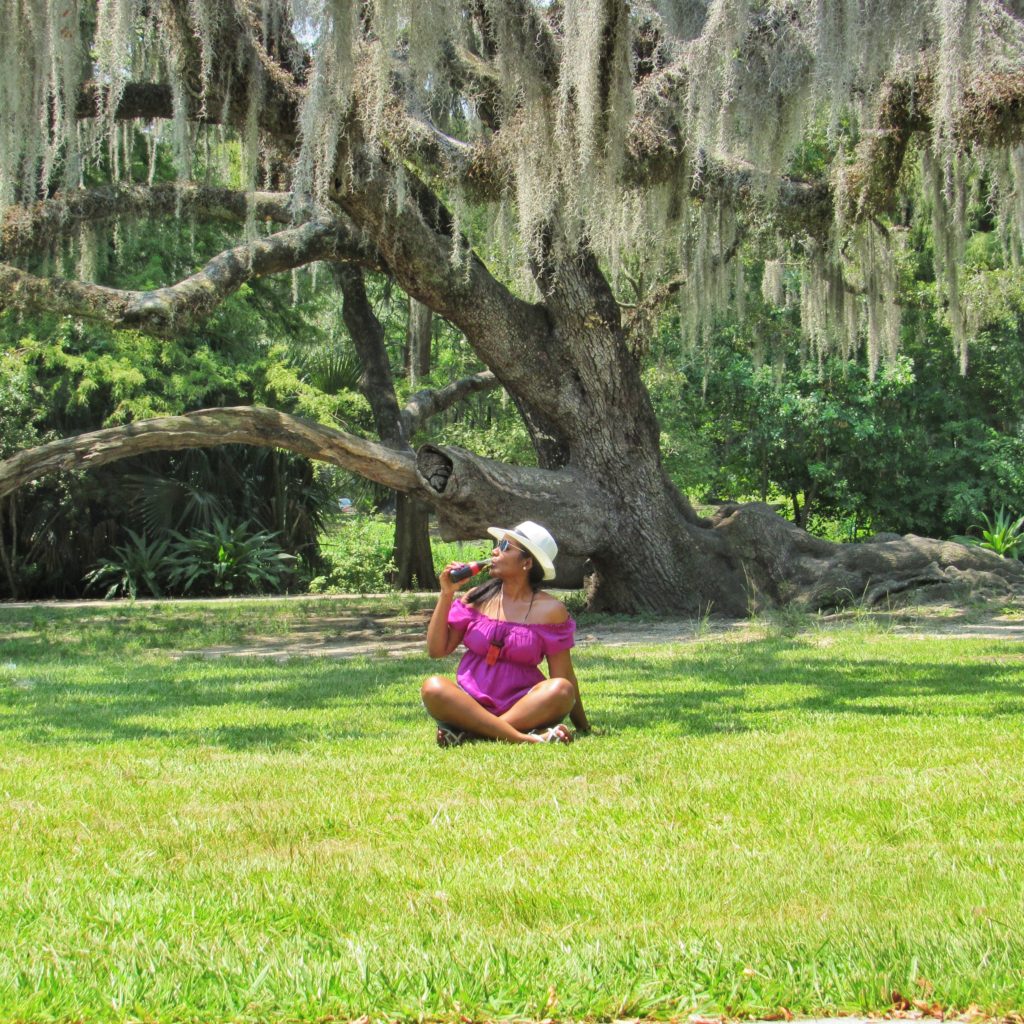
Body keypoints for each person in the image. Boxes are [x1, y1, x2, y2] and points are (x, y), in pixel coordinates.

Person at [421, 520, 591, 746]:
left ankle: (473, 732)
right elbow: (436, 650)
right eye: (497, 545)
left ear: (527, 563)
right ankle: (526, 738)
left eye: (504, 547)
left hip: (523, 705)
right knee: (433, 687)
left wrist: (583, 726)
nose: (494, 551)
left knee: (561, 689)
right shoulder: (475, 598)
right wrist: (446, 594)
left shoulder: (551, 611)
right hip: (471, 703)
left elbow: (564, 675)